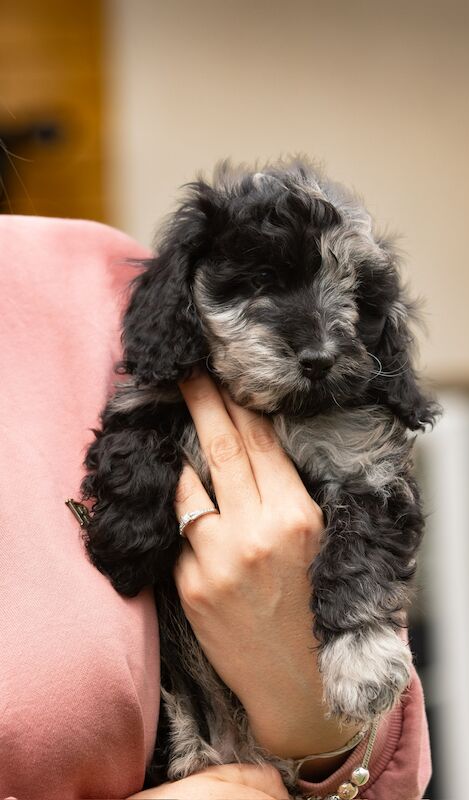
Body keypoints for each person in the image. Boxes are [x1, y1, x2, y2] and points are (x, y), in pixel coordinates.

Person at [0, 215, 432, 800]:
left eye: (355, 304)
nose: (324, 341)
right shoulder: (160, 352)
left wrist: (321, 726)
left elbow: (378, 754)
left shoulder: (92, 274)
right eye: (259, 286)